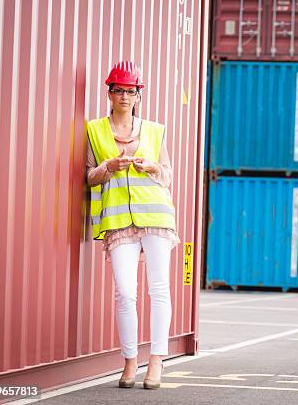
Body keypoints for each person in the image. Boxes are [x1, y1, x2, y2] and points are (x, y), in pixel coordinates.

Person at [86, 60, 180, 389]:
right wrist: (108, 166)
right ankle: (129, 362)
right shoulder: (94, 130)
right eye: (118, 90)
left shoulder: (154, 130)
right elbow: (89, 176)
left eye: (130, 91)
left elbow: (167, 177)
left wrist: (152, 167)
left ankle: (156, 361)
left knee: (159, 290)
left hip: (155, 218)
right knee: (125, 292)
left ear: (138, 94)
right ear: (109, 92)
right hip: (118, 222)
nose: (124, 96)